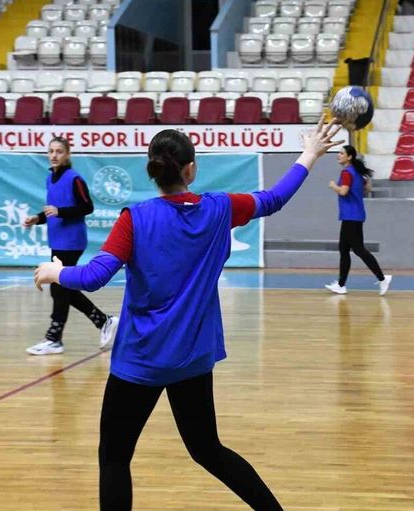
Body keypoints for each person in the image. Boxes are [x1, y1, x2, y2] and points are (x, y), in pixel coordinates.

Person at [33, 119, 344, 511]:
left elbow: (95, 277)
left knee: (114, 457)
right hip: (192, 359)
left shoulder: (136, 218)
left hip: (141, 360)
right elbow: (273, 198)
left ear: (152, 170)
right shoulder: (219, 208)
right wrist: (309, 154)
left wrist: (56, 271)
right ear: (190, 169)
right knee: (207, 449)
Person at [23, 137, 118, 356]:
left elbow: (87, 207)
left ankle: (54, 338)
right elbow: (52, 211)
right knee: (64, 288)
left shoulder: (75, 179)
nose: (54, 155)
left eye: (59, 151)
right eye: (51, 151)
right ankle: (104, 321)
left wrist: (61, 212)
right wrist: (38, 218)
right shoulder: (50, 179)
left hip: (72, 241)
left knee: (58, 288)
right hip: (57, 240)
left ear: (67, 154)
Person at [325, 145, 392, 295]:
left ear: (349, 157)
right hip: (353, 216)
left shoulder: (347, 172)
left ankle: (382, 278)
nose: (338, 155)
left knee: (358, 249)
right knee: (344, 249)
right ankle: (341, 285)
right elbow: (368, 188)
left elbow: (343, 191)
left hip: (351, 216)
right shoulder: (356, 172)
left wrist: (333, 186)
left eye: (341, 153)